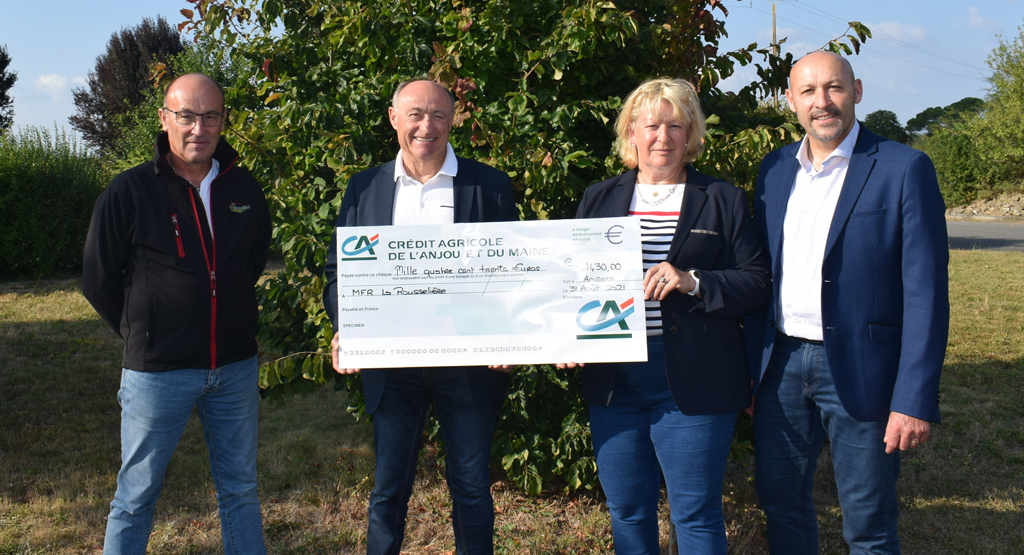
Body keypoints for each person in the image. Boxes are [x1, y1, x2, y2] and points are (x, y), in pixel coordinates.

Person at [748, 51, 949, 554]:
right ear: (789, 101)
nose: (823, 102)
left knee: (869, 523)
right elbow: (759, 275)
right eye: (809, 92)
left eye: (834, 88)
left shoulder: (904, 168)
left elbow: (927, 293)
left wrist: (912, 398)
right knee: (781, 506)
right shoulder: (773, 171)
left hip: (865, 370)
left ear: (856, 91)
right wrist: (749, 371)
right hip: (781, 366)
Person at [570, 77, 771, 553]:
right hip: (615, 378)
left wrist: (694, 280)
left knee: (696, 513)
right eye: (652, 124)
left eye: (675, 125)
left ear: (692, 134)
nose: (663, 136)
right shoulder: (598, 198)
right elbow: (572, 282)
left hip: (694, 376)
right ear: (631, 133)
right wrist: (566, 339)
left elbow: (758, 282)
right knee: (627, 510)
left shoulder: (721, 198)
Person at [322, 79, 518, 555]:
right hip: (394, 366)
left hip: (467, 365)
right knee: (389, 489)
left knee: (471, 488)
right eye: (415, 114)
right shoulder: (364, 187)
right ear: (393, 118)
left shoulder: (488, 185)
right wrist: (347, 325)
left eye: (438, 115)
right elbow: (338, 272)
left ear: (453, 121)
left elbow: (513, 270)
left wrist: (511, 335)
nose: (425, 126)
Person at [82, 73, 271, 554]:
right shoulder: (129, 191)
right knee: (136, 496)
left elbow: (250, 261)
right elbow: (99, 278)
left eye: (210, 116)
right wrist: (143, 330)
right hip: (157, 373)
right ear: (164, 119)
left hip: (233, 366)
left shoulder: (243, 187)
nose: (198, 128)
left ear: (224, 121)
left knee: (241, 492)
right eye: (186, 115)